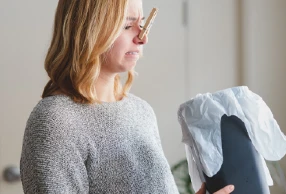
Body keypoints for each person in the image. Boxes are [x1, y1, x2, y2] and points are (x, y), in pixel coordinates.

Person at [19, 0, 235, 193]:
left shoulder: (140, 111)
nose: (143, 37)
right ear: (87, 30)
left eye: (141, 24)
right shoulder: (55, 121)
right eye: (126, 25)